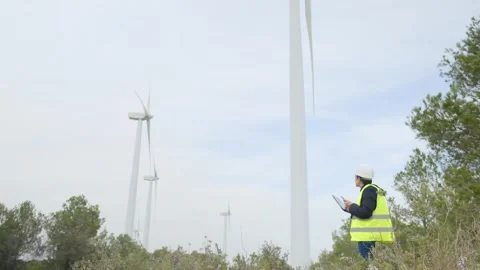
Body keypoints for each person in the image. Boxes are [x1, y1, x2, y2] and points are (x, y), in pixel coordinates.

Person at [343, 165, 395, 261]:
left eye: (355, 177)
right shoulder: (371, 190)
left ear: (359, 178)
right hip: (371, 236)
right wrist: (350, 208)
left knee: (370, 265)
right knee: (374, 264)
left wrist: (352, 206)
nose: (355, 179)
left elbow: (366, 212)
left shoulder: (369, 190)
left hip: (368, 237)